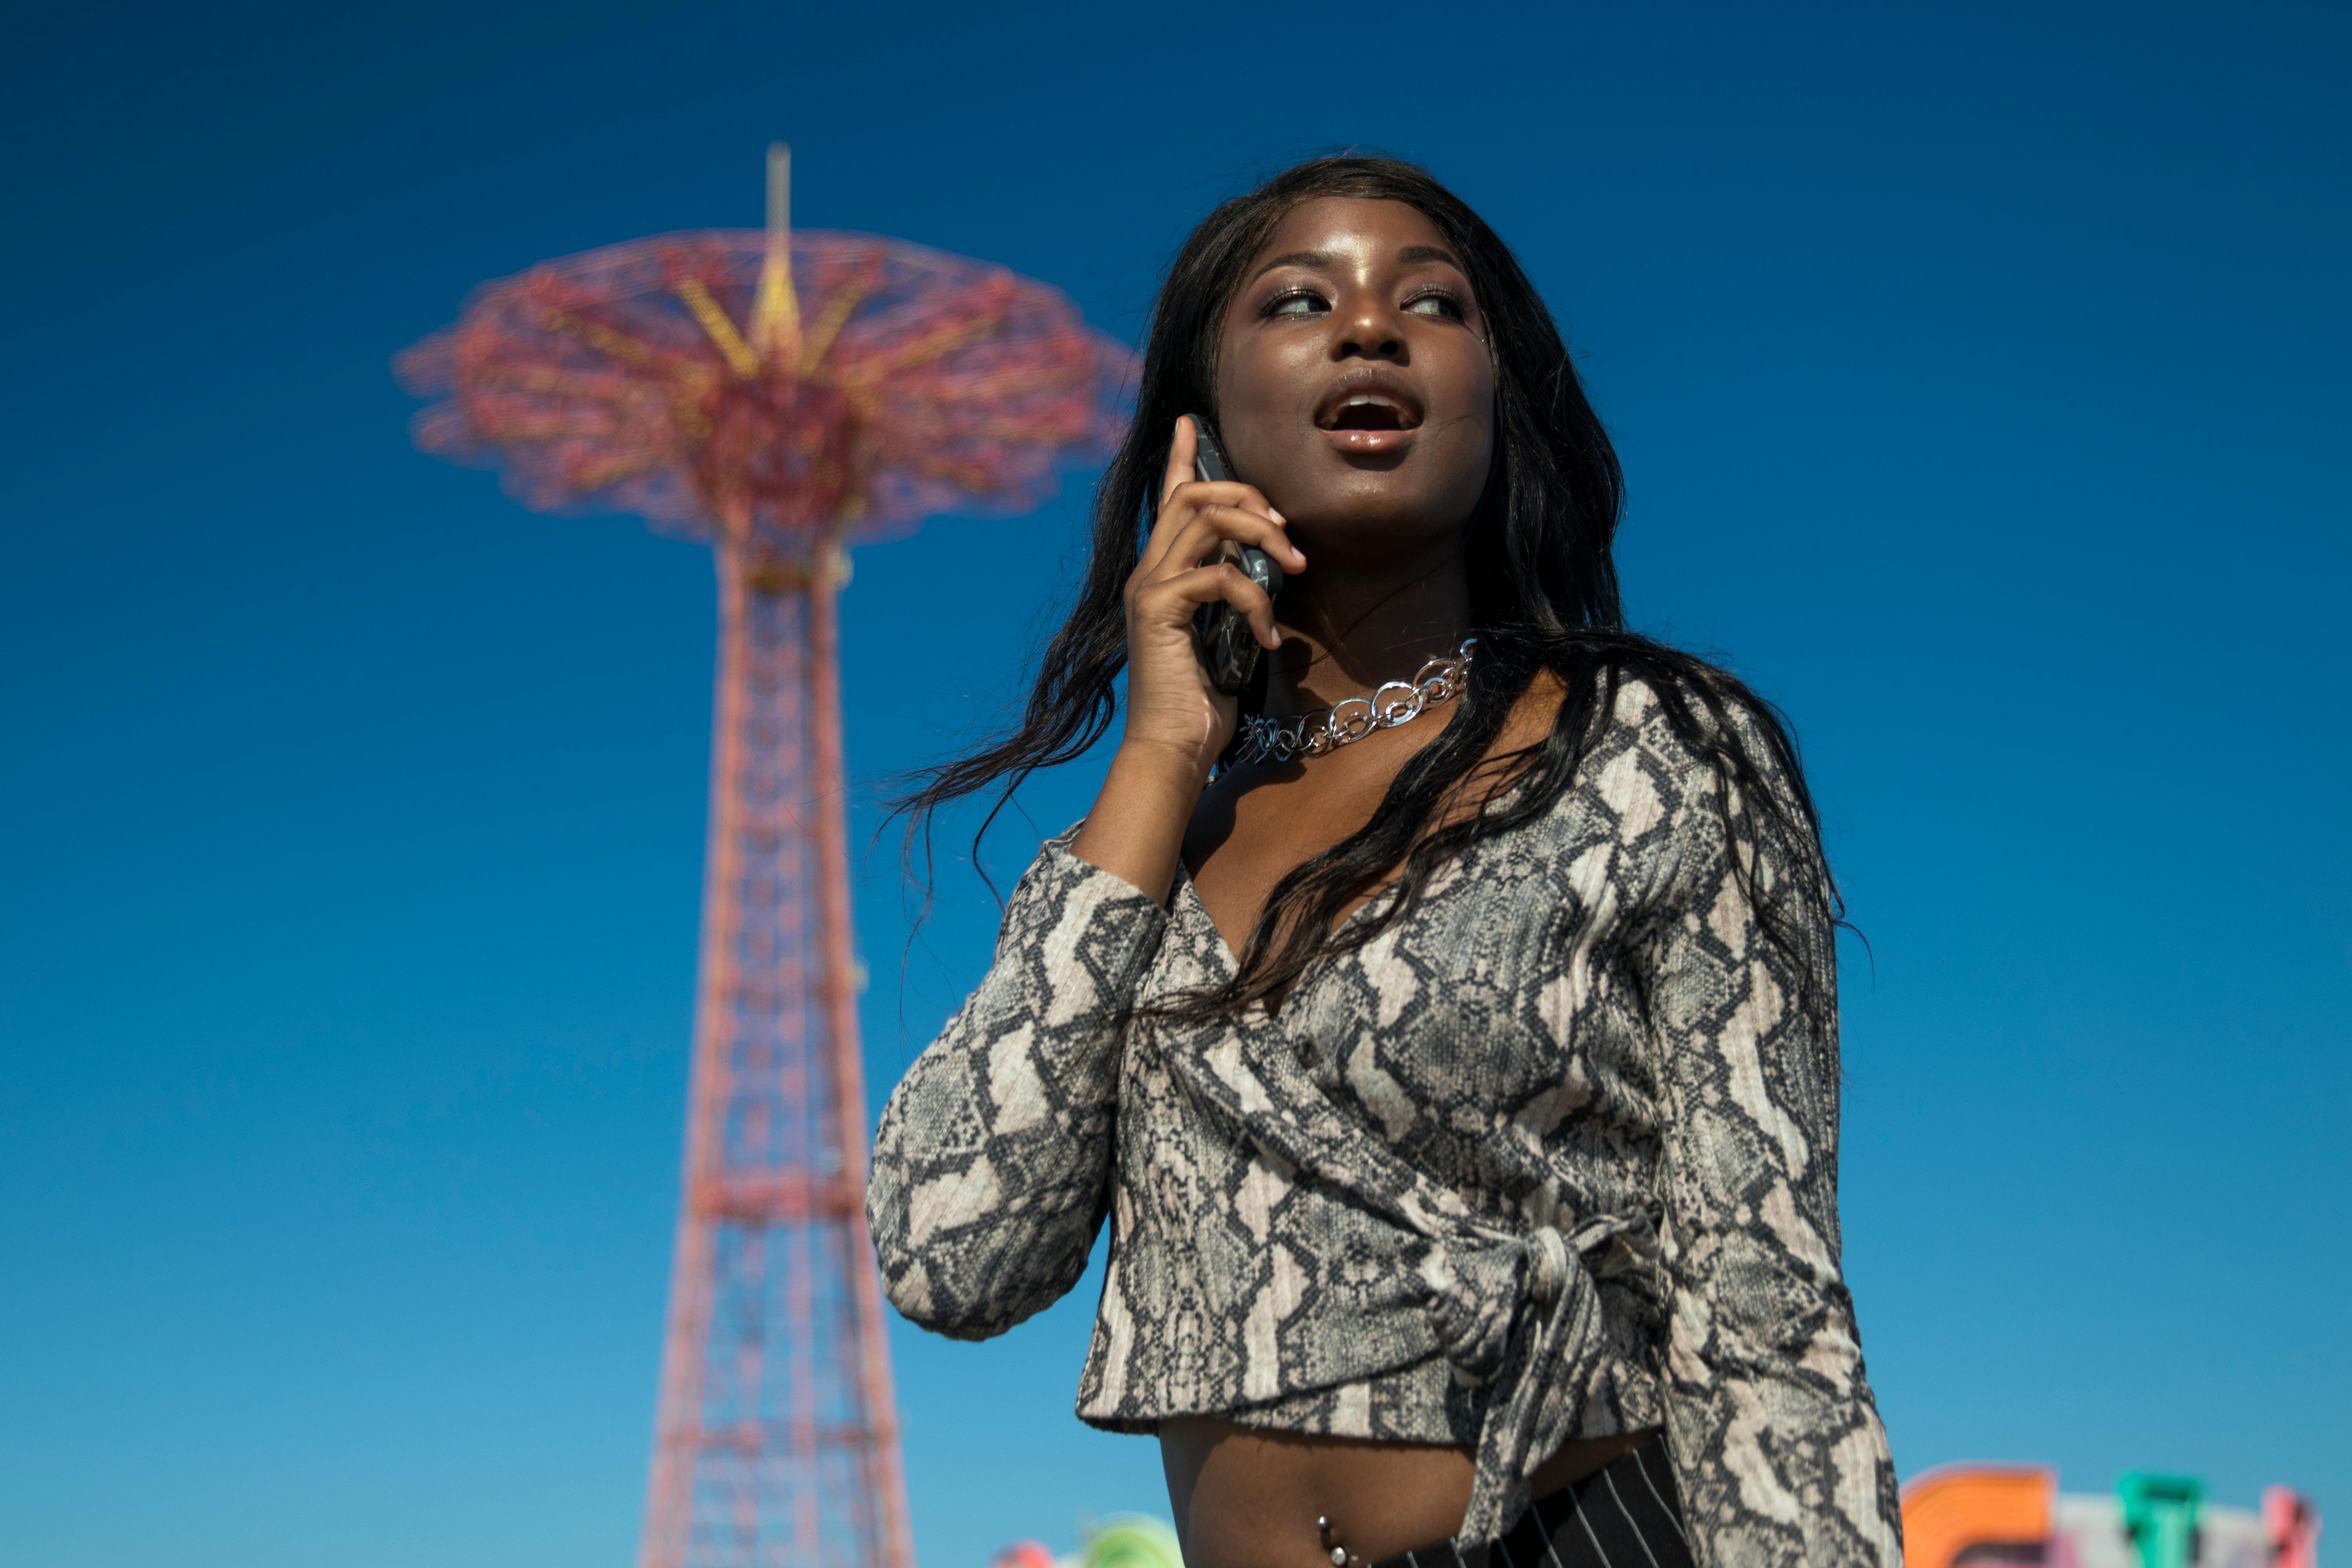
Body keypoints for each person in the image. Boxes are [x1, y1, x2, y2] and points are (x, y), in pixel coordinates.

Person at [867, 156, 1903, 1568]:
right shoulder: (1159, 851)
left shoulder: (1648, 748)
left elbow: (1765, 1297)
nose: (1371, 328)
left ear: (1498, 401)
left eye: (1433, 304)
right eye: (1300, 301)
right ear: (1203, 429)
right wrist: (1165, 751)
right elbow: (950, 1252)